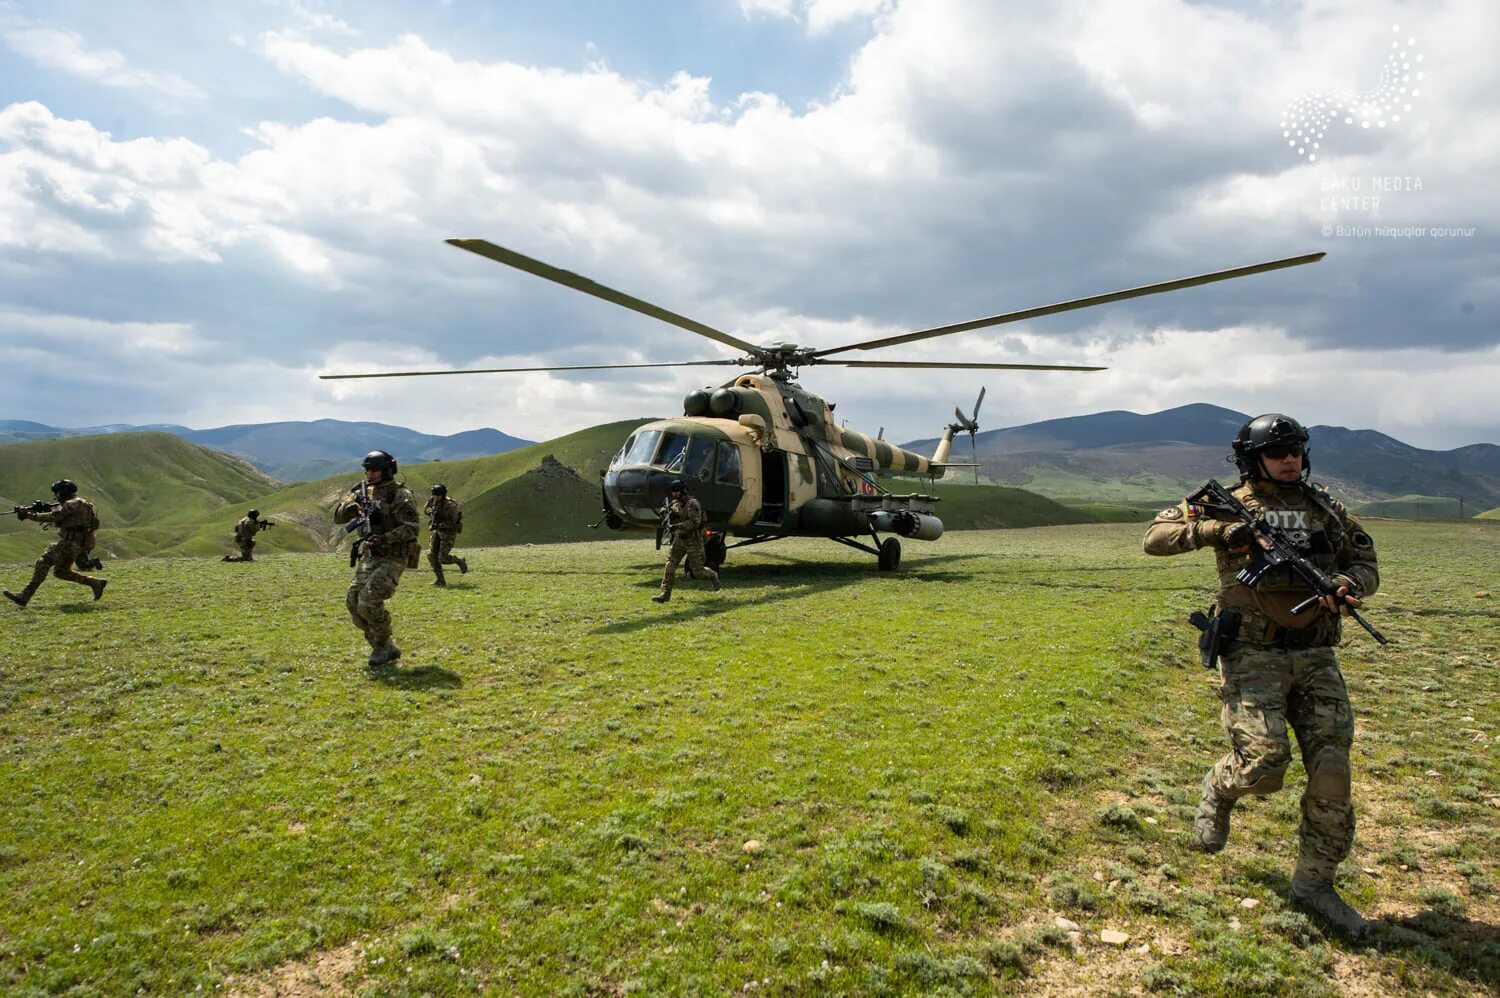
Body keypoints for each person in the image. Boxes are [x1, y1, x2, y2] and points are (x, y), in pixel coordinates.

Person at [1144, 414, 1380, 938]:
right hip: (1252, 653)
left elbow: (1367, 564)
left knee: (1333, 776)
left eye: (1296, 449)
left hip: (1317, 655)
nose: (1291, 459)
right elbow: (1155, 537)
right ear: (1255, 459)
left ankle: (1314, 886)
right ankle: (1220, 787)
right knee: (1265, 766)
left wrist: (1344, 583)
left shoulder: (1327, 509)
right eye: (1279, 452)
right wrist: (1217, 530)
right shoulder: (1226, 502)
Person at [333, 451, 420, 667]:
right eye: (367, 470)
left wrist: (384, 538)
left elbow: (412, 529)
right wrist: (349, 507)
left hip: (393, 556)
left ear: (387, 470)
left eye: (375, 470)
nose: (370, 474)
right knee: (353, 602)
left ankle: (381, 646)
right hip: (370, 555)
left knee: (369, 601)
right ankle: (384, 646)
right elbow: (338, 517)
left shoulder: (399, 495)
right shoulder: (363, 492)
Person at [5, 479, 107, 607]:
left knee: (44, 561)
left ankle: (24, 596)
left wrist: (28, 515)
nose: (55, 496)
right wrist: (41, 508)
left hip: (70, 543)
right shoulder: (81, 503)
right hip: (78, 544)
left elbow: (53, 517)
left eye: (57, 493)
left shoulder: (72, 504)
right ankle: (95, 583)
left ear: (64, 492)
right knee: (61, 572)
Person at [652, 479, 720, 603]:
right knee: (670, 564)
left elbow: (695, 523)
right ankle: (665, 594)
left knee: (698, 572)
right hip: (679, 540)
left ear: (683, 491)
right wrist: (664, 513)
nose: (674, 494)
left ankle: (713, 575)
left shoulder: (692, 504)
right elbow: (666, 513)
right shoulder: (674, 503)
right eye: (673, 491)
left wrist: (677, 526)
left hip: (693, 540)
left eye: (677, 491)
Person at [423, 484, 468, 586]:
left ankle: (459, 561)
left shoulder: (451, 505)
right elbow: (426, 509)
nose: (435, 497)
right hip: (437, 531)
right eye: (434, 495)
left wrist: (438, 525)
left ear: (442, 495)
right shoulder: (433, 500)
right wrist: (430, 512)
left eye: (437, 496)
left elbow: (452, 523)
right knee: (431, 555)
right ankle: (440, 580)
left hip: (448, 532)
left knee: (442, 558)